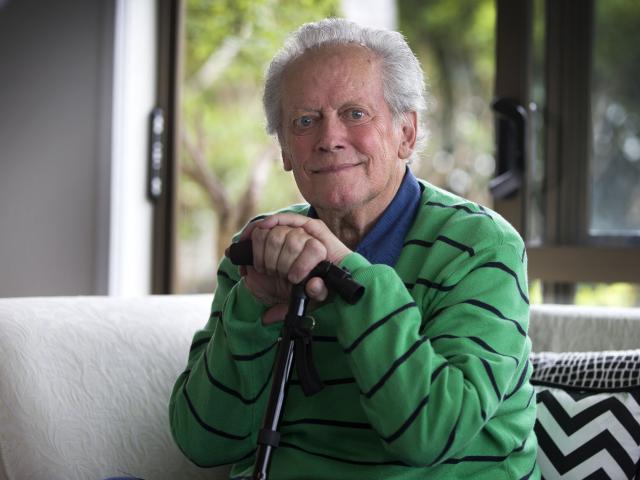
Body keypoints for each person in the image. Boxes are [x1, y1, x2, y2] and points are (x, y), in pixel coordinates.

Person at [169, 18, 539, 480]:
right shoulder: (261, 249)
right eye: (305, 121)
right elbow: (201, 441)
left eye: (355, 113)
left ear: (406, 133)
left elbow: (433, 432)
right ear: (286, 150)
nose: (329, 138)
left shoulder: (482, 246)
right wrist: (254, 309)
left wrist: (349, 275)